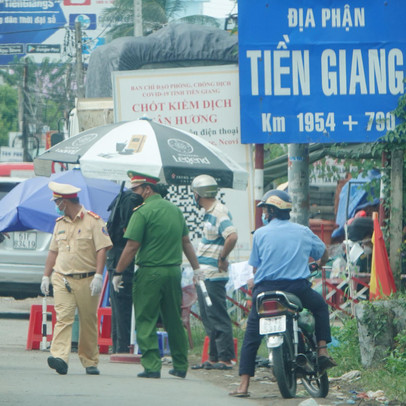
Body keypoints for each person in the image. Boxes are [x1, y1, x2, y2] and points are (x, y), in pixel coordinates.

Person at [230, 189, 336, 397]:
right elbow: (323, 252)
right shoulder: (303, 231)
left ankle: (243, 386)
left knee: (252, 334)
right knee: (320, 306)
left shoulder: (260, 233)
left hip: (265, 290)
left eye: (265, 210)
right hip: (296, 288)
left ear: (270, 211)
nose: (264, 214)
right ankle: (322, 350)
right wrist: (320, 263)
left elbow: (254, 269)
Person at [112, 171, 201, 379]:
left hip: (150, 272)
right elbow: (186, 242)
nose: (134, 194)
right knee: (173, 319)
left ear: (147, 189)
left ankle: (152, 366)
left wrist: (118, 272)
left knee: (146, 318)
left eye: (136, 189)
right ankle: (180, 364)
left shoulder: (142, 212)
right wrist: (196, 268)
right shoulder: (174, 211)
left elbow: (132, 246)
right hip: (173, 272)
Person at [40, 181, 112, 375]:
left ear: (65, 202)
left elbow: (102, 249)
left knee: (88, 320)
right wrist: (46, 276)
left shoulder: (93, 221)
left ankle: (89, 360)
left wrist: (98, 275)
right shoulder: (60, 224)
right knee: (64, 317)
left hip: (87, 279)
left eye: (57, 202)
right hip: (62, 277)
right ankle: (60, 357)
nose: (56, 206)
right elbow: (53, 252)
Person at [190, 174, 238, 370]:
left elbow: (232, 236)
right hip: (205, 274)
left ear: (198, 194)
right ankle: (214, 357)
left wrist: (222, 258)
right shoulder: (209, 212)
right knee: (207, 316)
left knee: (217, 315)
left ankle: (225, 358)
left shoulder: (219, 212)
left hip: (214, 275)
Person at [106, 189, 143, 353]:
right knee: (123, 305)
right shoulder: (132, 200)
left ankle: (118, 346)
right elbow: (129, 232)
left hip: (116, 255)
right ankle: (122, 347)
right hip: (123, 257)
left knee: (119, 305)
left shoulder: (123, 196)